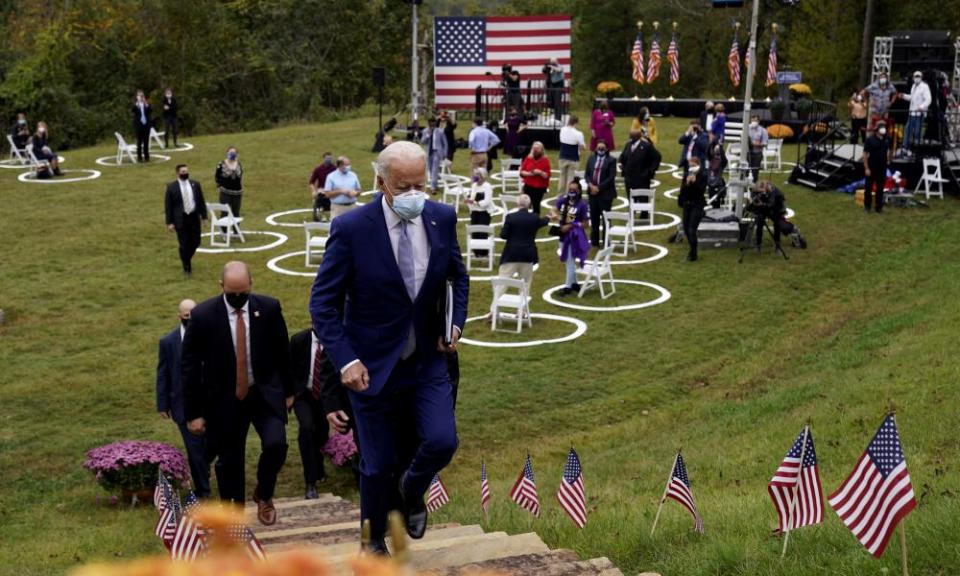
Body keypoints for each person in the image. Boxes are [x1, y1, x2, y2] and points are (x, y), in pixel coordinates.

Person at [309, 141, 468, 555]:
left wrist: (453, 323)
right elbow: (322, 305)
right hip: (370, 366)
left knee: (442, 441)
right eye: (404, 186)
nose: (415, 194)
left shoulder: (442, 218)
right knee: (375, 465)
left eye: (421, 185)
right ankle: (372, 541)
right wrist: (345, 359)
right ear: (381, 182)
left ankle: (412, 490)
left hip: (426, 360)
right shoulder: (352, 229)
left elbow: (458, 277)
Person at [182, 261, 294, 525]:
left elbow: (283, 351)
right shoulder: (203, 315)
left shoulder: (268, 308)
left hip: (264, 393)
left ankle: (264, 494)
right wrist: (193, 413)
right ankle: (235, 515)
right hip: (225, 399)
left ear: (251, 286)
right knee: (230, 461)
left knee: (277, 444)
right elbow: (188, 366)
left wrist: (290, 391)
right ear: (221, 287)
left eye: (242, 293)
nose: (237, 299)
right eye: (232, 294)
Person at [156, 299, 211, 498]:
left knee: (209, 448)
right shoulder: (168, 342)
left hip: (211, 403)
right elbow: (163, 372)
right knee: (195, 451)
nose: (191, 319)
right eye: (187, 316)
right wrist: (163, 403)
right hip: (183, 405)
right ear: (179, 316)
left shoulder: (211, 335)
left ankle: (207, 475)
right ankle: (204, 490)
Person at [289, 328, 329, 499]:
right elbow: (288, 368)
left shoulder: (334, 339)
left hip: (326, 396)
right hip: (303, 395)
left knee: (321, 433)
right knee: (306, 429)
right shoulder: (299, 340)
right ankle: (310, 483)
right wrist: (290, 394)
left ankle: (318, 461)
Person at [497, 194, 549, 303]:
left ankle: (493, 311)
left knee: (502, 283)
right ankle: (523, 311)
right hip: (527, 254)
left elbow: (503, 235)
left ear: (517, 203)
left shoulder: (511, 217)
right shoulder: (534, 217)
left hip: (511, 254)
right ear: (529, 205)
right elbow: (543, 222)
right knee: (525, 284)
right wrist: (549, 216)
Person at [165, 163, 208, 277]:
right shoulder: (171, 187)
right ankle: (187, 267)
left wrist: (204, 217)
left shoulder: (195, 184)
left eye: (186, 171)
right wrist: (169, 223)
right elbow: (168, 206)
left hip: (193, 217)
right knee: (184, 243)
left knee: (196, 242)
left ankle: (184, 256)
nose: (185, 173)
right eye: (183, 172)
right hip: (181, 219)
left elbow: (201, 201)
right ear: (178, 173)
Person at [550, 179, 590, 296]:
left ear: (579, 191)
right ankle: (575, 283)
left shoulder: (582, 205)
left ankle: (568, 286)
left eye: (574, 190)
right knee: (569, 260)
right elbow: (553, 209)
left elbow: (586, 223)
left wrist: (572, 225)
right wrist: (555, 216)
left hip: (574, 236)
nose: (571, 192)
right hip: (562, 234)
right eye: (570, 189)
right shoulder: (563, 200)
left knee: (569, 260)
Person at [584, 141, 617, 247]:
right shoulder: (591, 159)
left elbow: (611, 177)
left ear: (607, 149)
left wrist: (598, 188)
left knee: (606, 218)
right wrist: (591, 185)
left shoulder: (611, 160)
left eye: (603, 148)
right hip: (592, 193)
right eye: (599, 148)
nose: (600, 150)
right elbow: (587, 174)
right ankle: (595, 241)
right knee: (594, 218)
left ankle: (606, 240)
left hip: (605, 194)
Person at [677, 157, 707, 262]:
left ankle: (693, 253)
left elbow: (701, 191)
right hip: (687, 204)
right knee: (686, 228)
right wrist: (687, 183)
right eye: (690, 165)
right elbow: (682, 190)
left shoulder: (703, 176)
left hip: (697, 205)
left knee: (691, 229)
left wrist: (694, 183)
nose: (691, 168)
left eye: (693, 166)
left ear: (698, 165)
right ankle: (692, 249)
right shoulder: (686, 175)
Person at [899, 70, 932, 154]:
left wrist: (921, 107)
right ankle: (905, 148)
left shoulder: (924, 86)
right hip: (912, 112)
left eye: (918, 76)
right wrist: (904, 96)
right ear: (913, 78)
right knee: (907, 130)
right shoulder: (913, 86)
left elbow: (928, 99)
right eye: (915, 76)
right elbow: (912, 98)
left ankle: (916, 150)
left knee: (917, 132)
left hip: (919, 114)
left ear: (921, 78)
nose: (917, 78)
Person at [620, 129, 662, 194]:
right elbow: (622, 157)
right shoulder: (628, 145)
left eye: (632, 137)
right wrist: (623, 167)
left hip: (642, 179)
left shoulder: (646, 146)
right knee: (630, 198)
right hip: (629, 178)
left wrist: (650, 171)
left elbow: (657, 157)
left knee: (642, 199)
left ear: (637, 137)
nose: (630, 138)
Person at [465, 167, 494, 258]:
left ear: (482, 176)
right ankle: (476, 252)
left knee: (482, 233)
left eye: (477, 174)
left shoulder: (487, 186)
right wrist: (469, 200)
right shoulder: (474, 185)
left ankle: (484, 253)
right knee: (475, 232)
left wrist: (476, 203)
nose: (475, 176)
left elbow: (487, 202)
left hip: (484, 213)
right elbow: (472, 197)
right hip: (475, 212)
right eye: (475, 174)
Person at [862, 121, 891, 213]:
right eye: (882, 127)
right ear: (877, 129)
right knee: (868, 188)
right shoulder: (870, 140)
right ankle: (867, 207)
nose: (884, 129)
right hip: (871, 167)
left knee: (880, 188)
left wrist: (889, 159)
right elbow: (865, 154)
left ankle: (879, 207)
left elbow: (889, 151)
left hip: (882, 168)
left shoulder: (887, 139)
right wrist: (866, 168)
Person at [519, 141, 551, 215]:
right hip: (528, 185)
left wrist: (540, 172)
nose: (535, 150)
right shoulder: (528, 158)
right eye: (534, 148)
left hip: (539, 187)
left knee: (536, 205)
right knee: (524, 204)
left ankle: (535, 220)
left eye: (537, 148)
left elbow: (547, 175)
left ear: (541, 150)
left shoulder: (545, 160)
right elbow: (522, 172)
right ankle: (524, 219)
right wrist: (530, 174)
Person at [558, 115, 586, 195]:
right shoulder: (578, 133)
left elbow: (561, 140)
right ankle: (568, 194)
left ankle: (560, 195)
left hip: (563, 156)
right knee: (570, 178)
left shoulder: (562, 130)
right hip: (573, 157)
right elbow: (583, 146)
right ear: (576, 123)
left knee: (562, 177)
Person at [215, 147, 244, 219]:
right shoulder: (221, 164)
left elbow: (240, 175)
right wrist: (219, 186)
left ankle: (236, 230)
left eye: (234, 152)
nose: (232, 154)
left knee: (236, 213)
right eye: (230, 152)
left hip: (237, 193)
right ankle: (223, 230)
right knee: (224, 213)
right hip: (225, 192)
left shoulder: (239, 164)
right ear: (227, 153)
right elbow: (217, 176)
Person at [421, 118, 447, 192]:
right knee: (430, 169)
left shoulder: (440, 131)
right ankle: (435, 184)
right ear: (428, 124)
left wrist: (445, 152)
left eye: (433, 124)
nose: (432, 126)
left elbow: (445, 143)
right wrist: (428, 135)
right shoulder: (425, 131)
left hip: (437, 152)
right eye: (431, 124)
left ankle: (433, 188)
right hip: (428, 152)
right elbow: (423, 142)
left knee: (435, 169)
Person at [309, 152, 336, 221]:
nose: (329, 160)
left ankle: (332, 214)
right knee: (320, 198)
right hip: (322, 189)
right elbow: (311, 182)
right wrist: (313, 191)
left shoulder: (335, 169)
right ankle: (321, 214)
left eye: (330, 158)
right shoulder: (318, 169)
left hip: (332, 189)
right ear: (324, 159)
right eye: (327, 158)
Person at [131, 90, 152, 163]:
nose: (141, 97)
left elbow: (150, 111)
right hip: (138, 126)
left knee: (146, 142)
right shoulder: (136, 105)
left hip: (146, 126)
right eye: (139, 95)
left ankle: (147, 157)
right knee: (139, 142)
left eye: (142, 95)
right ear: (137, 97)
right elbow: (133, 111)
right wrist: (137, 104)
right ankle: (139, 157)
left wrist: (146, 104)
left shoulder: (146, 104)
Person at [746, 115, 768, 183]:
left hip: (757, 153)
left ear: (758, 121)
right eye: (752, 120)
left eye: (755, 120)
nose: (753, 122)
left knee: (755, 171)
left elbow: (765, 143)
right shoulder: (747, 128)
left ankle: (754, 186)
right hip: (748, 152)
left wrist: (757, 144)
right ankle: (745, 186)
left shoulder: (763, 130)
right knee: (746, 170)